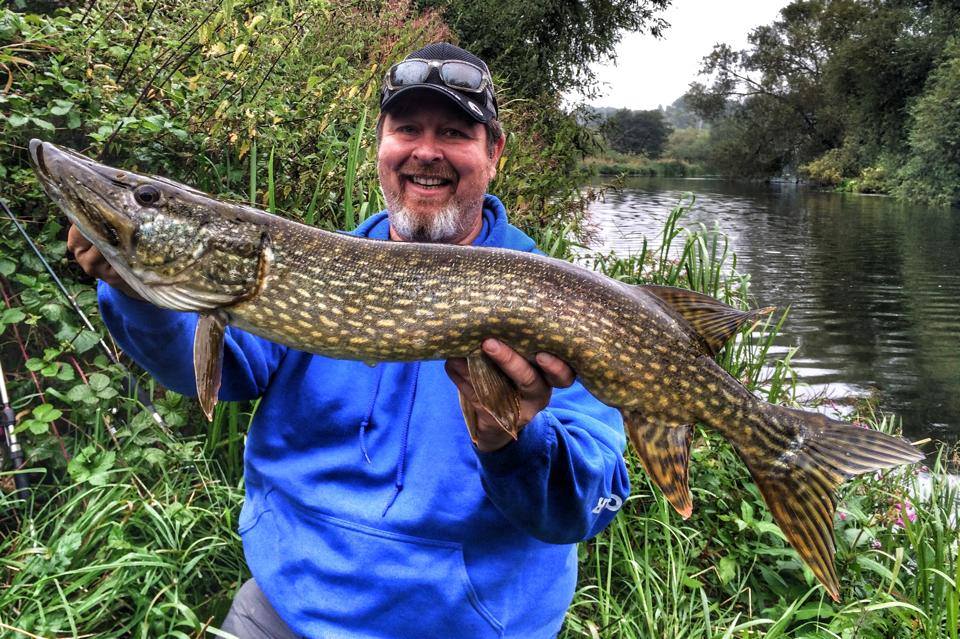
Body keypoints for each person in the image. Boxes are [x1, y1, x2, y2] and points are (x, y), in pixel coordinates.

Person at [68, 42, 630, 639]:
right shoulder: (307, 264)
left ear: (493, 152)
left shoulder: (555, 296)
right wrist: (134, 289)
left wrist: (512, 441)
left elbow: (590, 502)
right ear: (381, 146)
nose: (426, 151)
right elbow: (205, 368)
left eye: (455, 132)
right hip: (289, 608)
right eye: (406, 127)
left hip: (467, 626)